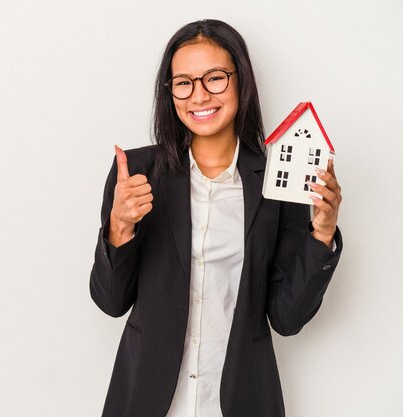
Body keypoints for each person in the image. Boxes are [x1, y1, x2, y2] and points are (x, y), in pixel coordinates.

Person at [89, 19, 342, 417]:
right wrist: (119, 228)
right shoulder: (136, 173)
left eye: (215, 78)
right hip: (147, 399)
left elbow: (287, 318)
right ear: (169, 91)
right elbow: (111, 302)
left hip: (241, 401)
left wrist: (322, 234)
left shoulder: (276, 182)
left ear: (241, 80)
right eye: (184, 82)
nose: (199, 95)